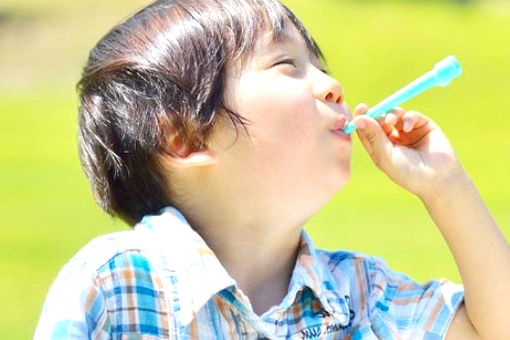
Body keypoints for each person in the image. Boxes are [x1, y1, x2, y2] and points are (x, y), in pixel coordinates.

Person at [34, 0, 510, 339]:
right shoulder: (116, 286)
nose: (332, 85)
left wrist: (446, 186)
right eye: (287, 64)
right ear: (185, 138)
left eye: (319, 66)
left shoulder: (363, 295)